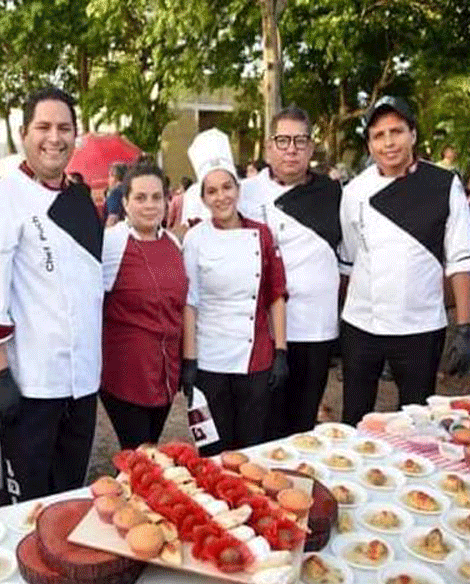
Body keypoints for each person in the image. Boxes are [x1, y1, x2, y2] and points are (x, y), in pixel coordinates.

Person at [0, 87, 103, 502]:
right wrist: (1, 375)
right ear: (23, 133)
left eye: (64, 128)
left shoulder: (80, 200)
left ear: (76, 136)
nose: (54, 137)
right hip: (30, 386)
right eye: (43, 127)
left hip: (82, 383)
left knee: (69, 497)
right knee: (27, 507)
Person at [339, 96, 470, 425]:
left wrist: (465, 328)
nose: (388, 142)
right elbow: (353, 257)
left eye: (396, 131)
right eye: (378, 135)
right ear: (369, 143)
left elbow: (460, 259)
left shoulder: (444, 185)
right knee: (356, 419)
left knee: (418, 423)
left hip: (420, 327)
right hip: (362, 326)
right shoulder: (354, 191)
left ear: (413, 134)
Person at [182, 129, 288, 454]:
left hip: (254, 357)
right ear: (203, 198)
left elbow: (276, 295)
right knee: (212, 449)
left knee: (251, 448)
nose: (221, 197)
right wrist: (189, 360)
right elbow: (190, 304)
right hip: (209, 359)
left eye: (227, 187)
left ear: (238, 189)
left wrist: (281, 352)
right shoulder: (195, 238)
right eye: (211, 191)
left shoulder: (263, 234)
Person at [239, 106, 342, 438]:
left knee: (302, 426)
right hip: (264, 331)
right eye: (282, 141)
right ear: (268, 147)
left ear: (311, 148)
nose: (291, 149)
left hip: (315, 329)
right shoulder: (245, 192)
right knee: (262, 425)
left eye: (300, 141)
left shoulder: (333, 193)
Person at [100, 163, 188, 449]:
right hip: (126, 374)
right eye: (140, 197)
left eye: (156, 197)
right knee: (139, 452)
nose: (149, 205)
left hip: (165, 374)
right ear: (124, 202)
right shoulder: (111, 244)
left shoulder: (173, 242)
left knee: (148, 448)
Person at [104, 162, 128, 226]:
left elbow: (113, 218)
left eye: (109, 176)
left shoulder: (115, 193)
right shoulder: (129, 190)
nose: (108, 180)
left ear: (114, 177)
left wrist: (108, 232)